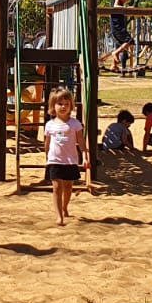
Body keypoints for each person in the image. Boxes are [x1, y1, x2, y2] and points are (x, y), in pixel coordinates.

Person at [44, 87, 91, 226]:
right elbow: (47, 143)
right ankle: (59, 216)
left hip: (70, 160)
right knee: (57, 187)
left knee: (68, 186)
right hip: (55, 160)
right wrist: (47, 157)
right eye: (60, 104)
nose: (63, 107)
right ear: (53, 106)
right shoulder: (50, 125)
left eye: (66, 104)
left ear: (71, 106)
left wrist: (86, 156)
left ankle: (64, 207)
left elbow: (81, 142)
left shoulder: (75, 124)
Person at [108, 0, 134, 74]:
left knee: (121, 45)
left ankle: (113, 65)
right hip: (118, 28)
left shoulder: (120, 2)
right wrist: (126, 8)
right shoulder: (116, 0)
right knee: (130, 41)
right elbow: (115, 6)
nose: (128, 0)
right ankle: (115, 53)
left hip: (117, 28)